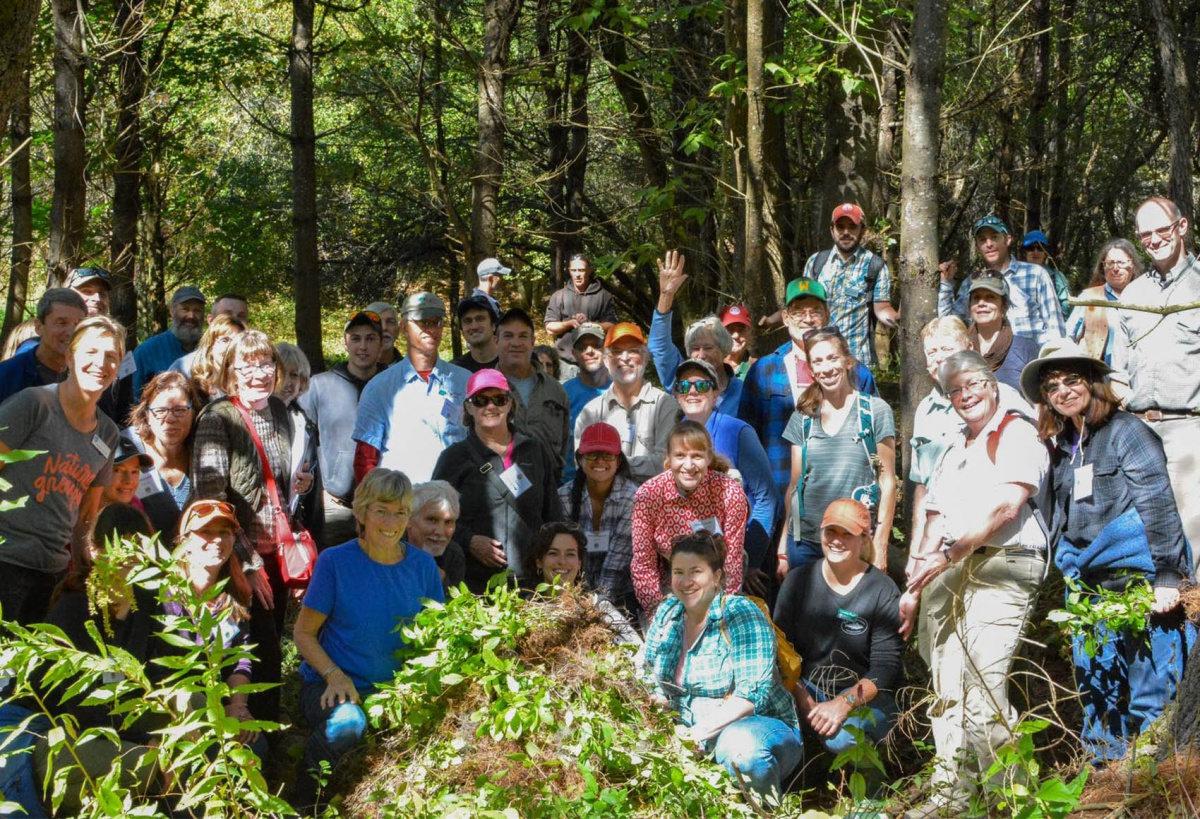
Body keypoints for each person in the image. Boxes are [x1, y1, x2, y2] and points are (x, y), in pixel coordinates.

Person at [1021, 340, 1191, 761]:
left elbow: (1157, 502)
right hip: (1089, 592)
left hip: (1143, 587)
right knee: (1098, 695)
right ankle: (1103, 781)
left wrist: (1168, 575)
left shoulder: (1126, 431)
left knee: (1153, 697)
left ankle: (1155, 787)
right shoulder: (1062, 447)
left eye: (1072, 379)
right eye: (1052, 385)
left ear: (1094, 381)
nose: (1063, 390)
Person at [900, 350, 1051, 817]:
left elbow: (1007, 506)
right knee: (945, 690)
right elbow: (935, 515)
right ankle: (954, 799)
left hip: (1005, 561)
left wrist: (949, 553)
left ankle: (1011, 800)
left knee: (985, 688)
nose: (965, 396)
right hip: (947, 568)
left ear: (991, 382)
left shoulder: (1017, 430)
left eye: (972, 385)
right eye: (955, 391)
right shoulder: (954, 445)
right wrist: (916, 582)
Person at [291, 468, 444, 811]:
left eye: (401, 512)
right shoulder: (335, 562)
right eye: (382, 510)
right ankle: (303, 804)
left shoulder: (422, 566)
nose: (391, 521)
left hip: (397, 693)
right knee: (348, 723)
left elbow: (438, 634)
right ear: (361, 513)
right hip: (332, 685)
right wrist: (333, 674)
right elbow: (302, 633)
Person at [191, 330, 314, 722]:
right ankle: (256, 737)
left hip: (276, 553)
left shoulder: (280, 413)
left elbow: (276, 482)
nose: (258, 373)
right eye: (247, 365)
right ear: (231, 372)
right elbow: (212, 501)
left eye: (265, 364)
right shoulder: (217, 417)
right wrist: (246, 563)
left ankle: (263, 734)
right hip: (237, 558)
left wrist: (299, 483)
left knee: (270, 642)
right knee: (254, 651)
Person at [637, 530, 801, 799]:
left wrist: (694, 735)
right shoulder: (668, 612)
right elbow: (648, 672)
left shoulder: (739, 613)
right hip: (687, 732)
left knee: (742, 750)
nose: (686, 581)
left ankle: (766, 810)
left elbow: (750, 696)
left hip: (755, 728)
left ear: (716, 577)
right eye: (678, 572)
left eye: (696, 572)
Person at [33, 503, 160, 815]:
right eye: (117, 546)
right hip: (64, 738)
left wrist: (165, 733)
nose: (127, 559)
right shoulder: (74, 610)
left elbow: (159, 679)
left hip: (126, 730)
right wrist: (146, 741)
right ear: (93, 551)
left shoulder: (145, 604)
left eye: (136, 547)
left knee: (196, 713)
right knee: (149, 766)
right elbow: (77, 705)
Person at [0, 316, 124, 624]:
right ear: (69, 356)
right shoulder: (34, 404)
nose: (101, 363)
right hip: (6, 560)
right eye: (91, 352)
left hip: (52, 572)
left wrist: (91, 574)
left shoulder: (108, 434)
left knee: (38, 671)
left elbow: (85, 516)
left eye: (111, 356)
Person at [774, 498, 902, 767]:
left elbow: (885, 668)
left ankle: (871, 791)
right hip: (807, 686)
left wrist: (842, 704)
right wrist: (805, 701)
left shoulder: (882, 589)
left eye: (847, 534)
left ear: (864, 539)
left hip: (865, 694)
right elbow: (781, 651)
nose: (837, 540)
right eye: (831, 531)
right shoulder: (798, 581)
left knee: (844, 738)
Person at [1111, 196, 1200, 565]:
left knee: (1193, 538)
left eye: (1161, 230)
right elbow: (1118, 370)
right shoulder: (1133, 294)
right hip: (1139, 432)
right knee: (1144, 535)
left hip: (1189, 429)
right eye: (1145, 234)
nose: (1154, 240)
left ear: (1182, 228)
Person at [738, 277, 878, 504]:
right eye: (798, 312)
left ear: (827, 316)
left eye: (815, 311)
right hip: (778, 496)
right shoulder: (763, 371)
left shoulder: (856, 373)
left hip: (844, 500)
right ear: (785, 318)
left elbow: (874, 440)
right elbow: (746, 442)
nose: (808, 319)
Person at [152, 499, 268, 755]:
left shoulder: (234, 597)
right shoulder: (164, 596)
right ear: (185, 541)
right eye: (206, 531)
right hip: (171, 708)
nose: (217, 540)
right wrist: (214, 712)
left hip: (217, 704)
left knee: (255, 746)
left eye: (224, 533)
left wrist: (238, 706)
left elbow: (241, 659)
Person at [431, 369, 563, 593]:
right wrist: (469, 541)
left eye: (499, 399)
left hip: (532, 582)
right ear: (468, 407)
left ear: (510, 404)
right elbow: (433, 520)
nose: (490, 407)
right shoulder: (454, 458)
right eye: (481, 400)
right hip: (473, 583)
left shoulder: (534, 450)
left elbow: (553, 514)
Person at [777, 328, 896, 574]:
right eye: (818, 361)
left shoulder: (874, 411)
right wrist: (782, 546)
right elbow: (795, 484)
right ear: (811, 370)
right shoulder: (803, 417)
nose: (827, 368)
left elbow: (887, 481)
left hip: (856, 539)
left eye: (832, 358)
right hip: (806, 541)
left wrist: (881, 544)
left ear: (848, 361)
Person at [907, 317, 1032, 551]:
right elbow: (922, 486)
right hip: (937, 541)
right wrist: (916, 549)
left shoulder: (999, 397)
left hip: (995, 540)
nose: (939, 358)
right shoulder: (925, 410)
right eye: (932, 352)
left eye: (947, 349)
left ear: (970, 349)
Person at [673, 357, 778, 587]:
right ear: (676, 394)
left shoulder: (737, 431)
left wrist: (750, 560)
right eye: (684, 386)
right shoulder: (674, 435)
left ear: (716, 393)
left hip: (738, 560)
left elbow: (766, 497)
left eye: (701, 385)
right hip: (691, 561)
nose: (692, 391)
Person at [631, 421, 748, 616]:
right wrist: (658, 613)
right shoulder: (648, 495)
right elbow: (643, 564)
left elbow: (733, 562)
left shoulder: (730, 493)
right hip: (669, 588)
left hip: (716, 586)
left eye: (697, 456)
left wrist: (721, 614)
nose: (689, 465)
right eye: (680, 456)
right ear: (668, 458)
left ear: (709, 458)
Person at [353, 292, 470, 484]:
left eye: (437, 322)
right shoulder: (380, 388)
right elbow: (365, 459)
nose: (431, 329)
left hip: (456, 501)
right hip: (400, 505)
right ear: (404, 328)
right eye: (422, 323)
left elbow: (484, 442)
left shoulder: (465, 381)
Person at [300, 310, 385, 549]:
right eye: (356, 339)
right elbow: (304, 445)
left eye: (370, 338)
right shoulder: (319, 385)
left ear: (382, 343)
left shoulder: (392, 385)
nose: (363, 346)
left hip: (386, 505)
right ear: (346, 342)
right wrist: (317, 493)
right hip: (336, 507)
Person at [573, 323, 679, 484]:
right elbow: (582, 464)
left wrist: (610, 463)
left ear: (645, 357)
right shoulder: (591, 411)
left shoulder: (665, 405)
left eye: (633, 351)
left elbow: (666, 463)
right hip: (605, 505)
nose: (624, 357)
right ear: (606, 360)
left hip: (652, 505)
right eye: (616, 351)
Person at [938, 215, 1065, 347]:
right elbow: (948, 327)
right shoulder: (971, 283)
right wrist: (946, 284)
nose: (989, 244)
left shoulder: (1035, 274)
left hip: (1031, 363)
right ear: (977, 247)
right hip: (988, 364)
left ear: (1007, 240)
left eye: (994, 237)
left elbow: (1055, 325)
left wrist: (1052, 361)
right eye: (982, 240)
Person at [803, 202, 899, 368]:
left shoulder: (875, 266)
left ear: (862, 230)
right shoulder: (815, 262)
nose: (846, 232)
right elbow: (803, 308)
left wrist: (899, 318)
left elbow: (882, 309)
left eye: (852, 227)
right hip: (819, 359)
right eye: (840, 227)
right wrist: (770, 321)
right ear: (832, 230)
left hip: (856, 361)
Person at [649, 250, 744, 414]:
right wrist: (666, 295)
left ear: (723, 350)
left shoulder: (742, 391)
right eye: (695, 349)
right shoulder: (679, 380)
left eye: (708, 348)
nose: (701, 355)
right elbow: (658, 346)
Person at [559, 422, 638, 614]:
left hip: (621, 593)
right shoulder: (563, 496)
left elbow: (617, 563)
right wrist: (575, 601)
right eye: (593, 455)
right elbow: (564, 556)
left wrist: (599, 607)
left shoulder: (632, 497)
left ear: (618, 461)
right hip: (574, 591)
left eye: (607, 455)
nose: (600, 462)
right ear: (580, 459)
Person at [526, 521, 641, 645]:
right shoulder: (525, 610)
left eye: (570, 554)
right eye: (553, 553)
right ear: (539, 561)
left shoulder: (597, 606)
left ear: (579, 563)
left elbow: (636, 650)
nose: (562, 561)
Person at [496, 308, 571, 474]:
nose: (516, 343)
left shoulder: (555, 390)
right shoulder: (485, 390)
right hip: (499, 489)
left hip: (549, 487)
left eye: (523, 336)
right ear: (496, 342)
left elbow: (564, 443)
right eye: (508, 336)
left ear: (532, 342)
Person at [125, 370, 199, 537]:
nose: (170, 419)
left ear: (193, 412)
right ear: (146, 415)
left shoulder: (204, 451)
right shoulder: (128, 448)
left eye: (180, 410)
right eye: (160, 411)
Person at [65, 267, 136, 427]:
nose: (97, 298)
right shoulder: (55, 344)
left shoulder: (121, 350)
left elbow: (125, 414)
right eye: (86, 291)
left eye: (102, 293)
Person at [0, 288, 88, 405]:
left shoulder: (90, 376)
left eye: (79, 324)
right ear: (39, 327)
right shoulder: (8, 375)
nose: (71, 332)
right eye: (61, 323)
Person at [1067, 238, 1142, 364]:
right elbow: (1068, 336)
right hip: (1098, 374)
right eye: (1110, 263)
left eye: (1121, 263)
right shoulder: (1089, 298)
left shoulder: (1144, 297)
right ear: (1103, 266)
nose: (1116, 268)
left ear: (1132, 265)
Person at [965, 270, 1040, 392]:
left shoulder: (1025, 349)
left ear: (1004, 306)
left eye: (990, 297)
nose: (981, 303)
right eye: (976, 298)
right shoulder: (961, 349)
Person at [544, 252, 618, 365]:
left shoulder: (604, 296)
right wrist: (569, 323)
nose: (577, 274)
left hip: (595, 360)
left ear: (589, 270)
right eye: (574, 270)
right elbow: (549, 328)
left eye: (581, 270)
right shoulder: (559, 296)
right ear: (569, 271)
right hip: (565, 362)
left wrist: (589, 325)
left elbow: (612, 326)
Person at [561, 323, 612, 485]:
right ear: (574, 354)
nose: (589, 351)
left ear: (606, 349)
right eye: (582, 348)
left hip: (617, 489)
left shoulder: (622, 390)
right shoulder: (562, 394)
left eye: (596, 345)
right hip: (571, 485)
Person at [132, 285, 207, 396]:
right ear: (172, 311)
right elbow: (133, 398)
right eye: (185, 309)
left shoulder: (209, 349)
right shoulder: (146, 351)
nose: (191, 316)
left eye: (197, 310)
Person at [407, 480, 466, 593]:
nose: (440, 531)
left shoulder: (453, 556)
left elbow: (453, 606)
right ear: (409, 519)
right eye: (432, 520)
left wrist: (443, 582)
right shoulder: (390, 546)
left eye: (449, 522)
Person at [170, 314, 247, 395]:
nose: (231, 347)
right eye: (225, 340)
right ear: (211, 344)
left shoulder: (248, 381)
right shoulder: (188, 374)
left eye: (237, 341)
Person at [1020, 230, 1072, 320]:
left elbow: (1067, 305)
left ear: (1046, 252)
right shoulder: (1015, 277)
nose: (1035, 252)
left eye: (1040, 248)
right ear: (1025, 252)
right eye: (1031, 248)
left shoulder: (1057, 277)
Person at [451, 294, 500, 373]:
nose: (474, 326)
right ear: (462, 329)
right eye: (467, 321)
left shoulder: (510, 363)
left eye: (480, 319)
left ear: (493, 325)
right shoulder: (455, 371)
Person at [101, 437, 151, 508]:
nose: (129, 481)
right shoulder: (80, 511)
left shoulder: (135, 507)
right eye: (118, 470)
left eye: (134, 471)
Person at [720, 304, 757, 379]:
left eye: (741, 329)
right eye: (730, 329)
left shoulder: (757, 368)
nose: (736, 335)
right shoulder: (712, 366)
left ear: (749, 334)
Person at [365, 300, 401, 366]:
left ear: (397, 331)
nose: (384, 328)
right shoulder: (350, 372)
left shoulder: (410, 370)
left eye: (390, 322)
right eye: (378, 322)